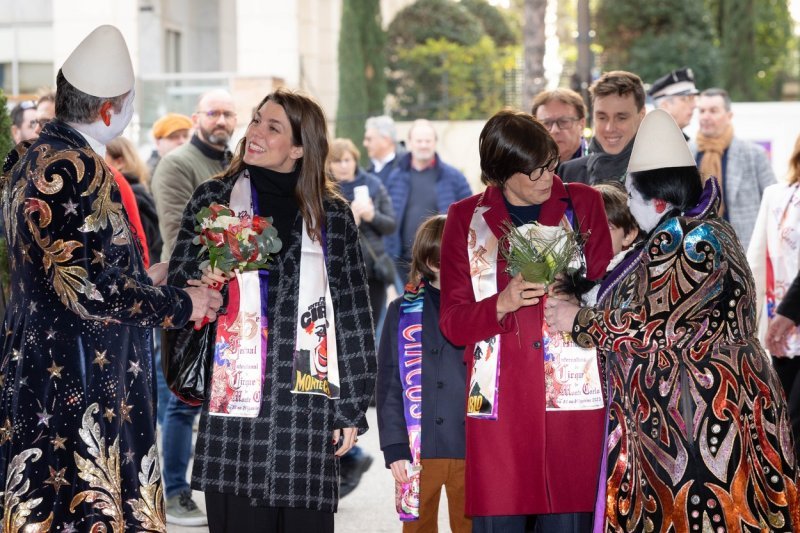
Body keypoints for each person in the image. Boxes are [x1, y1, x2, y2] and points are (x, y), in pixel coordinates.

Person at [0, 24, 221, 531]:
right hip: (83, 374)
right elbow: (97, 291)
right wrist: (184, 303)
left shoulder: (27, 158)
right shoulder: (84, 169)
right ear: (106, 110)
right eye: (127, 102)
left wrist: (147, 276)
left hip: (33, 362)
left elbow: (73, 267)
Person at [544, 109, 800, 531]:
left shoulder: (686, 240)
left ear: (658, 198)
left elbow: (656, 327)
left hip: (699, 428)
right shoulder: (700, 231)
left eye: (631, 192)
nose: (627, 201)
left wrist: (580, 321)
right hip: (709, 417)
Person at [167, 88, 377, 533]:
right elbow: (180, 278)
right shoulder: (215, 200)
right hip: (235, 403)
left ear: (300, 148)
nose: (254, 133)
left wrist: (351, 410)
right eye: (257, 120)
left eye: (272, 127)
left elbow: (354, 314)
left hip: (305, 406)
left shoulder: (332, 216)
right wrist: (204, 278)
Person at [439, 109, 613, 532]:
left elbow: (614, 294)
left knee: (570, 518)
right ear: (499, 173)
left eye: (550, 167)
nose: (545, 180)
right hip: (500, 407)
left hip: (573, 404)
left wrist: (576, 294)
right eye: (532, 173)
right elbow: (453, 323)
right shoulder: (466, 218)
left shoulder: (583, 203)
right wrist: (502, 302)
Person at [151, 88, 236, 526]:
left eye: (228, 113)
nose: (221, 120)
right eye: (213, 112)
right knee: (182, 400)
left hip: (232, 298)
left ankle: (220, 488)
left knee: (223, 395)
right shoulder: (178, 164)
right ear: (196, 117)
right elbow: (177, 231)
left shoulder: (235, 164)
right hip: (188, 297)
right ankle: (176, 492)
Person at [377, 214, 471, 533]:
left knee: (472, 526)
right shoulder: (401, 311)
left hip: (471, 447)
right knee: (417, 528)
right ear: (430, 261)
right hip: (419, 448)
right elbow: (389, 385)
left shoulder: (484, 309)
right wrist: (394, 448)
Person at [328, 137, 396, 496]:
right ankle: (349, 446)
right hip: (340, 279)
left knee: (364, 339)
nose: (342, 166)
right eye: (336, 161)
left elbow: (390, 224)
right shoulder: (326, 192)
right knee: (340, 346)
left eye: (347, 160)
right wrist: (349, 218)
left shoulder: (373, 183)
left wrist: (369, 215)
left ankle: (356, 409)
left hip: (373, 274)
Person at [748, 132, 800, 462]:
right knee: (781, 425)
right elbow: (757, 259)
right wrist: (754, 327)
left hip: (788, 316)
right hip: (781, 331)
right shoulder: (777, 195)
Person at [386, 119, 472, 286]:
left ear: (435, 143)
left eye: (428, 141)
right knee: (410, 311)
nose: (423, 145)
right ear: (410, 143)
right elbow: (387, 219)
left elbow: (471, 216)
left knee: (439, 310)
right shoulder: (396, 177)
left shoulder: (454, 178)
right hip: (404, 264)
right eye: (419, 141)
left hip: (442, 264)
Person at [692, 88, 776, 250]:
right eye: (702, 111)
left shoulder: (753, 155)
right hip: (697, 249)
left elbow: (774, 203)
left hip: (743, 250)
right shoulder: (688, 153)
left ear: (729, 116)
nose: (705, 116)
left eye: (713, 111)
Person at [559, 71, 646, 185]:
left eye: (621, 118)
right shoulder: (569, 172)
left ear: (641, 115)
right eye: (602, 117)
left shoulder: (662, 172)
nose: (610, 128)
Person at [583, 182, 641, 305]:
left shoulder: (631, 277)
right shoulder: (572, 269)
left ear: (628, 235)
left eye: (607, 227)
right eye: (588, 225)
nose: (595, 234)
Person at [531, 88, 588, 163]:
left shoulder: (600, 166)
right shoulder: (523, 168)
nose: (554, 130)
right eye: (546, 123)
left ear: (581, 125)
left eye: (563, 121)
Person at [649, 67, 699, 134]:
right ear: (665, 106)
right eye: (686, 99)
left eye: (693, 99)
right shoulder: (652, 141)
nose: (694, 105)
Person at [364, 115, 404, 186]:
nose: (365, 144)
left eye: (369, 139)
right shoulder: (368, 169)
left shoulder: (406, 165)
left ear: (386, 140)